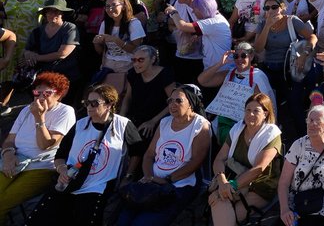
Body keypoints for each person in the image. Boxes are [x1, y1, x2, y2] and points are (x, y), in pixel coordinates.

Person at [28, 83, 143, 225]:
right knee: (41, 218)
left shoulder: (123, 124)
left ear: (109, 104)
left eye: (95, 103)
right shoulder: (79, 125)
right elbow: (60, 155)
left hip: (99, 186)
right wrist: (63, 170)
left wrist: (128, 176)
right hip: (70, 181)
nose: (89, 107)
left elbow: (137, 152)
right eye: (87, 103)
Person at [116, 84, 212, 226]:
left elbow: (196, 161)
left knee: (142, 223)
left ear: (191, 104)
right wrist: (149, 176)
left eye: (178, 101)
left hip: (179, 185)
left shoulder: (200, 125)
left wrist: (168, 179)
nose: (172, 104)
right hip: (151, 181)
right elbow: (149, 155)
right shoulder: (164, 122)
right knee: (123, 220)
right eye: (170, 101)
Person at [0, 72, 73, 221]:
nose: (41, 97)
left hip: (41, 167)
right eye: (37, 92)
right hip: (15, 160)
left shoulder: (65, 112)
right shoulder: (27, 109)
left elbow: (45, 144)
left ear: (59, 94)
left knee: (3, 202)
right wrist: (8, 155)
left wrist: (39, 118)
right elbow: (9, 141)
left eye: (47, 93)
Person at [210, 93, 284, 226]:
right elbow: (219, 159)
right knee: (220, 203)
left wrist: (231, 186)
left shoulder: (271, 134)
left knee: (230, 213)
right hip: (232, 180)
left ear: (266, 113)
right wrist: (222, 181)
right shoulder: (237, 129)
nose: (251, 114)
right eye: (248, 110)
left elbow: (259, 168)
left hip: (259, 187)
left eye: (256, 111)